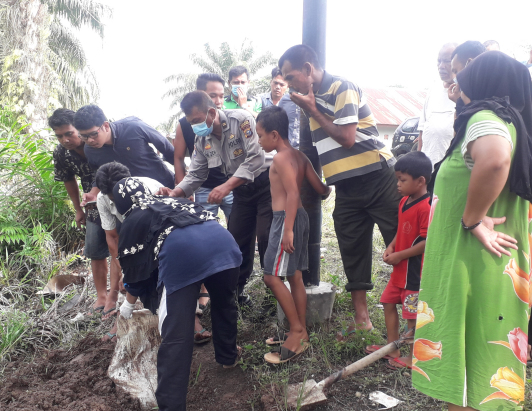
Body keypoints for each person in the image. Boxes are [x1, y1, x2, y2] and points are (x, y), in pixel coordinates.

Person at [412, 51, 532, 410]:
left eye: (466, 75)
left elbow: (494, 159)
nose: (459, 82)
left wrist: (473, 219)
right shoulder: (514, 122)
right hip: (492, 264)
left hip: (471, 264)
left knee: (469, 355)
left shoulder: (484, 117)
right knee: (483, 359)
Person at [279, 44, 399, 340]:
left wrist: (312, 109)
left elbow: (346, 138)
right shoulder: (310, 101)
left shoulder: (341, 87)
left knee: (402, 243)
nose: (289, 84)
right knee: (351, 247)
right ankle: (362, 319)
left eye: (291, 76)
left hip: (378, 176)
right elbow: (317, 148)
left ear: (308, 69)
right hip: (346, 186)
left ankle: (416, 315)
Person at [109, 177, 241, 411]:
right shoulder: (171, 201)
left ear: (118, 205)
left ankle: (171, 405)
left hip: (183, 256)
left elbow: (135, 276)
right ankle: (228, 358)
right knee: (224, 303)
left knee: (177, 334)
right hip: (225, 246)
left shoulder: (132, 219)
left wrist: (127, 307)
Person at [163, 91, 272, 307]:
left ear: (211, 112)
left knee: (267, 237)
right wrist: (176, 192)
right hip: (242, 191)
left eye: (196, 120)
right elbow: (196, 173)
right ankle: (235, 297)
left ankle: (274, 296)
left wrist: (227, 186)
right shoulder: (201, 139)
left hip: (266, 185)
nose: (194, 126)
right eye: (190, 122)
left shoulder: (241, 120)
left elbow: (256, 157)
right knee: (236, 240)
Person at [74, 105, 177, 314]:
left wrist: (182, 187)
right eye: (84, 137)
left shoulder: (134, 128)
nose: (90, 141)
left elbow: (170, 151)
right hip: (127, 207)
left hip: (161, 194)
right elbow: (100, 175)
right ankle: (124, 296)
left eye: (92, 135)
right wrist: (94, 192)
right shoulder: (90, 150)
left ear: (105, 125)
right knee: (131, 247)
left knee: (170, 243)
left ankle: (194, 293)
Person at [94, 162, 212, 343]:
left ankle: (192, 319)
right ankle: (123, 320)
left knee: (171, 275)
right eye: (112, 197)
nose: (116, 201)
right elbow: (112, 237)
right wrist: (124, 269)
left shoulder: (151, 188)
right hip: (133, 237)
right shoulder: (102, 199)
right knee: (137, 278)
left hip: (164, 237)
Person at [255, 106, 330, 364]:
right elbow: (321, 188)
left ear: (274, 135)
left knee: (270, 277)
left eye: (261, 135)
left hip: (284, 219)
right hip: (301, 218)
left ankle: (297, 331)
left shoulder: (279, 158)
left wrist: (286, 230)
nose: (259, 140)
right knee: (294, 275)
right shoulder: (299, 156)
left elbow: (292, 194)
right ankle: (300, 331)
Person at [365, 151, 432, 370]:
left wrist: (399, 256)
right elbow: (401, 231)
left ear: (420, 181)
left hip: (413, 275)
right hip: (399, 272)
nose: (398, 184)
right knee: (387, 302)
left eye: (402, 180)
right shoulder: (404, 201)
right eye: (397, 179)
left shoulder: (426, 207)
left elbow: (425, 242)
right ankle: (392, 347)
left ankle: (414, 356)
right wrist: (391, 246)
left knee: (412, 317)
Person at [49, 108, 109, 315]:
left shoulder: (98, 140)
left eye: (69, 133)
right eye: (59, 136)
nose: (65, 139)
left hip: (116, 197)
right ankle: (102, 295)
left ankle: (124, 292)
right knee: (94, 249)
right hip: (91, 204)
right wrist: (78, 209)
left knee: (124, 247)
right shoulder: (61, 152)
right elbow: (68, 179)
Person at [173, 73, 234, 221]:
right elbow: (179, 158)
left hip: (232, 186)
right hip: (203, 187)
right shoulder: (185, 125)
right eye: (212, 96)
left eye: (221, 95)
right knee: (205, 228)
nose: (218, 101)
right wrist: (184, 192)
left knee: (238, 229)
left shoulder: (232, 121)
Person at [418, 43, 458, 166]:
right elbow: (422, 131)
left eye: (446, 61)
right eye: (439, 61)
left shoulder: (465, 94)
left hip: (448, 170)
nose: (441, 66)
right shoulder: (433, 90)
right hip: (426, 170)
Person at [260, 68, 301, 148]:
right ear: (271, 82)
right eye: (275, 83)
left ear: (287, 85)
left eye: (282, 85)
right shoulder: (260, 100)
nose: (278, 87)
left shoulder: (290, 100)